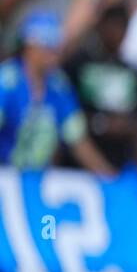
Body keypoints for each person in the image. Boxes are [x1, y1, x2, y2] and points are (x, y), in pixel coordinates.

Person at [0, 12, 114, 176]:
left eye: (56, 47)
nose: (53, 53)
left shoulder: (58, 85)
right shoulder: (7, 80)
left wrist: (110, 178)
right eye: (47, 46)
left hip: (36, 182)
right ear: (30, 46)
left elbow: (77, 139)